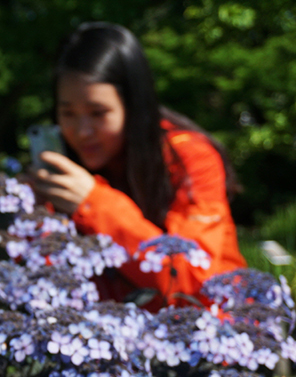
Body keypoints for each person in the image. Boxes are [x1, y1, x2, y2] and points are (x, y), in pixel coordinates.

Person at [29, 22, 246, 307]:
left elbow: (193, 280)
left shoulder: (192, 157)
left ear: (133, 106)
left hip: (215, 332)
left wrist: (94, 204)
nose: (82, 131)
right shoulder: (68, 169)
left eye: (98, 113)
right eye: (67, 113)